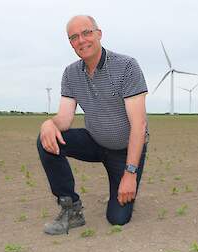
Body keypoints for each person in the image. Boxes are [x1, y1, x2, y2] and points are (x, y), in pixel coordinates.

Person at [37, 15, 148, 235]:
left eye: (87, 32)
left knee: (117, 219)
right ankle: (71, 209)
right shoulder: (70, 73)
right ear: (71, 43)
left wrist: (130, 174)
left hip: (125, 152)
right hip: (95, 141)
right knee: (47, 140)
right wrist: (48, 124)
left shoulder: (126, 66)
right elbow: (65, 119)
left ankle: (120, 183)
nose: (81, 40)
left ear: (99, 34)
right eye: (74, 37)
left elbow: (139, 124)